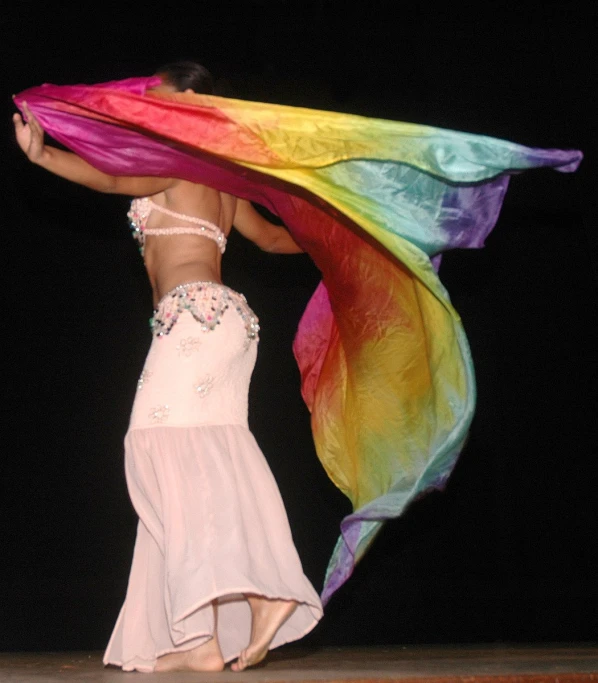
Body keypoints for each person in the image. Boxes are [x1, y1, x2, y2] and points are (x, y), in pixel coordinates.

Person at [13, 61, 323, 673]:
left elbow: (109, 182)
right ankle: (200, 638)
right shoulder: (221, 180)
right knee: (209, 457)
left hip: (194, 317)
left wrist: (41, 156)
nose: (150, 104)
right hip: (230, 323)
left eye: (160, 96)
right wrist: (335, 238)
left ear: (190, 105)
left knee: (154, 445)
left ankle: (264, 592)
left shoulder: (177, 161)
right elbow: (274, 240)